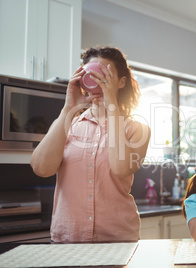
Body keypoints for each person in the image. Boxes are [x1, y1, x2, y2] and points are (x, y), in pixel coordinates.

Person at [30, 47, 151, 242]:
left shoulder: (137, 129)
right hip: (68, 240)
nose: (96, 78)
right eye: (91, 72)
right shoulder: (67, 124)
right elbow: (41, 168)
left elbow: (121, 168)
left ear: (121, 81)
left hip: (116, 240)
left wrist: (110, 102)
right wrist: (69, 107)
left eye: (104, 73)